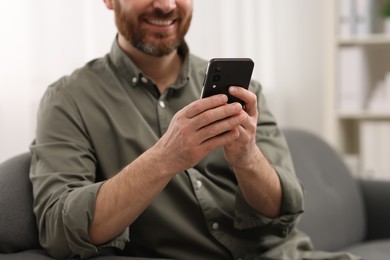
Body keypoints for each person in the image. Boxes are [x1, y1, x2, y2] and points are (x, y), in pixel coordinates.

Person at [29, 0, 359, 259]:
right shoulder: (69, 101)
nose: (167, 5)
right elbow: (59, 230)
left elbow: (283, 213)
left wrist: (247, 158)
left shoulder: (245, 89)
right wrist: (165, 158)